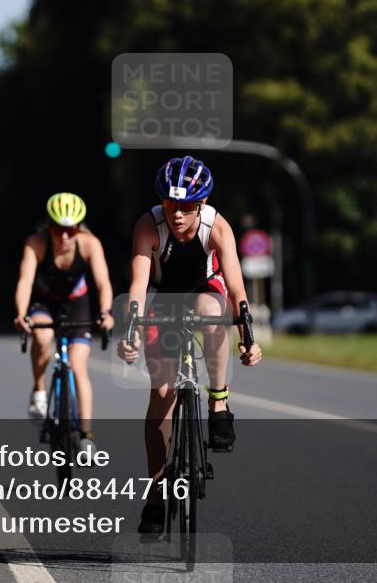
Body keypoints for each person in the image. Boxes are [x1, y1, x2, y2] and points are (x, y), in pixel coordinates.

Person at [117, 156, 263, 536]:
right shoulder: (149, 225)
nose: (177, 214)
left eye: (186, 207)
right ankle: (155, 495)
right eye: (170, 205)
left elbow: (236, 286)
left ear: (201, 205)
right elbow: (137, 285)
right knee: (162, 393)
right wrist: (131, 330)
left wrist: (247, 336)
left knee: (211, 312)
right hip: (162, 298)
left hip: (205, 290)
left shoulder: (218, 227)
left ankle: (218, 400)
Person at [13, 192, 115, 452]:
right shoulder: (36, 243)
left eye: (71, 230)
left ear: (79, 228)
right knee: (42, 337)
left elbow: (103, 282)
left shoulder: (90, 244)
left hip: (77, 305)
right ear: (49, 226)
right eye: (59, 230)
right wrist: (21, 314)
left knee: (79, 366)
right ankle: (38, 388)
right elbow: (25, 282)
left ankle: (86, 436)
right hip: (45, 303)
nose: (65, 237)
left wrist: (105, 312)